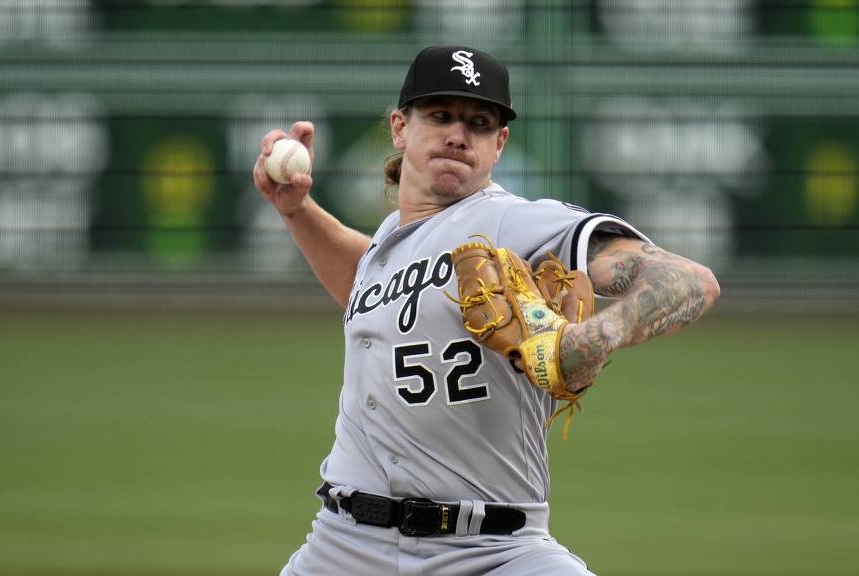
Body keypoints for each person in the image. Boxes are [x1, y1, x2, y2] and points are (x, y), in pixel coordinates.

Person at [253, 45, 720, 576]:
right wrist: (297, 210)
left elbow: (689, 281)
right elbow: (368, 286)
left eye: (478, 122)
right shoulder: (389, 245)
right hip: (343, 546)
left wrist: (591, 339)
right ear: (401, 127)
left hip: (494, 551)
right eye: (441, 115)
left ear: (499, 145)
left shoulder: (511, 224)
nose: (457, 134)